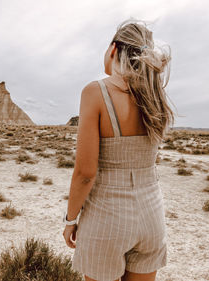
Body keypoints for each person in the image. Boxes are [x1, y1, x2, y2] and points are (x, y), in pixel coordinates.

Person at [62, 19, 175, 281]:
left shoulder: (96, 92)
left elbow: (85, 173)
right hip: (151, 215)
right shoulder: (155, 97)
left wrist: (70, 220)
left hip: (107, 217)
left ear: (113, 49)